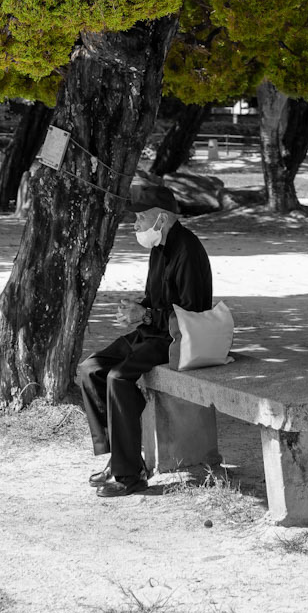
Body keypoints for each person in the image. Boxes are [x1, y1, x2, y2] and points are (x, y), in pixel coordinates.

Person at [76, 184, 213, 498]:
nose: (135, 224)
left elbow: (190, 314)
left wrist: (147, 316)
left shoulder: (188, 250)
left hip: (177, 339)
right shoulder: (159, 247)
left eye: (140, 217)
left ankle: (130, 477)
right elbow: (156, 300)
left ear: (161, 219)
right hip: (152, 332)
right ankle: (121, 458)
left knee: (119, 379)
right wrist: (136, 310)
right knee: (90, 370)